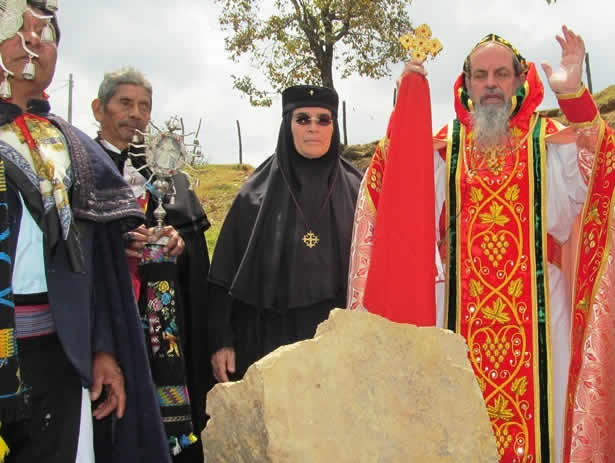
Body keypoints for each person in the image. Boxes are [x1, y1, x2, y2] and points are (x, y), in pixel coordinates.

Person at [348, 28, 615, 463]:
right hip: (456, 316)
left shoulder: (553, 142)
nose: (491, 83)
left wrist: (574, 97)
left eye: (501, 73)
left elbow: (605, 168)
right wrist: (409, 104)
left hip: (543, 320)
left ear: (519, 80)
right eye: (480, 75)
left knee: (549, 432)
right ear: (466, 84)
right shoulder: (442, 148)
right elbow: (391, 193)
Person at [0, 2, 169, 462]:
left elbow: (98, 265)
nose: (32, 41)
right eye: (16, 26)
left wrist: (102, 350)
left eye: (45, 34)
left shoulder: (73, 149)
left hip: (61, 353)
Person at [91, 67, 211, 462]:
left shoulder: (166, 174)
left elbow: (193, 251)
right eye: (125, 103)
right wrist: (115, 245)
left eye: (144, 106)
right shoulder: (80, 167)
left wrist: (178, 244)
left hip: (160, 328)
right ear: (98, 109)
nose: (136, 114)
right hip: (102, 320)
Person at [208, 85, 362, 383]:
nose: (313, 128)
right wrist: (221, 340)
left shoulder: (359, 191)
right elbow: (224, 273)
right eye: (302, 119)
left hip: (340, 343)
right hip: (269, 337)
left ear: (334, 127)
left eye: (323, 120)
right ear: (287, 126)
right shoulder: (255, 194)